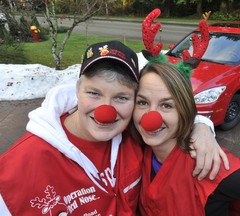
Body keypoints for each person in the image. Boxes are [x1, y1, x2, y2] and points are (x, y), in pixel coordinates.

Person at [0, 40, 228, 215]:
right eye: (94, 93)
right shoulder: (16, 168)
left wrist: (201, 126)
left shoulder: (134, 136)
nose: (105, 112)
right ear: (77, 89)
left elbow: (167, 116)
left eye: (121, 97)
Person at [134, 61, 240, 216]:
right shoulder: (137, 148)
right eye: (142, 102)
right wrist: (202, 124)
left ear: (184, 110)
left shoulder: (213, 166)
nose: (150, 118)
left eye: (166, 105)